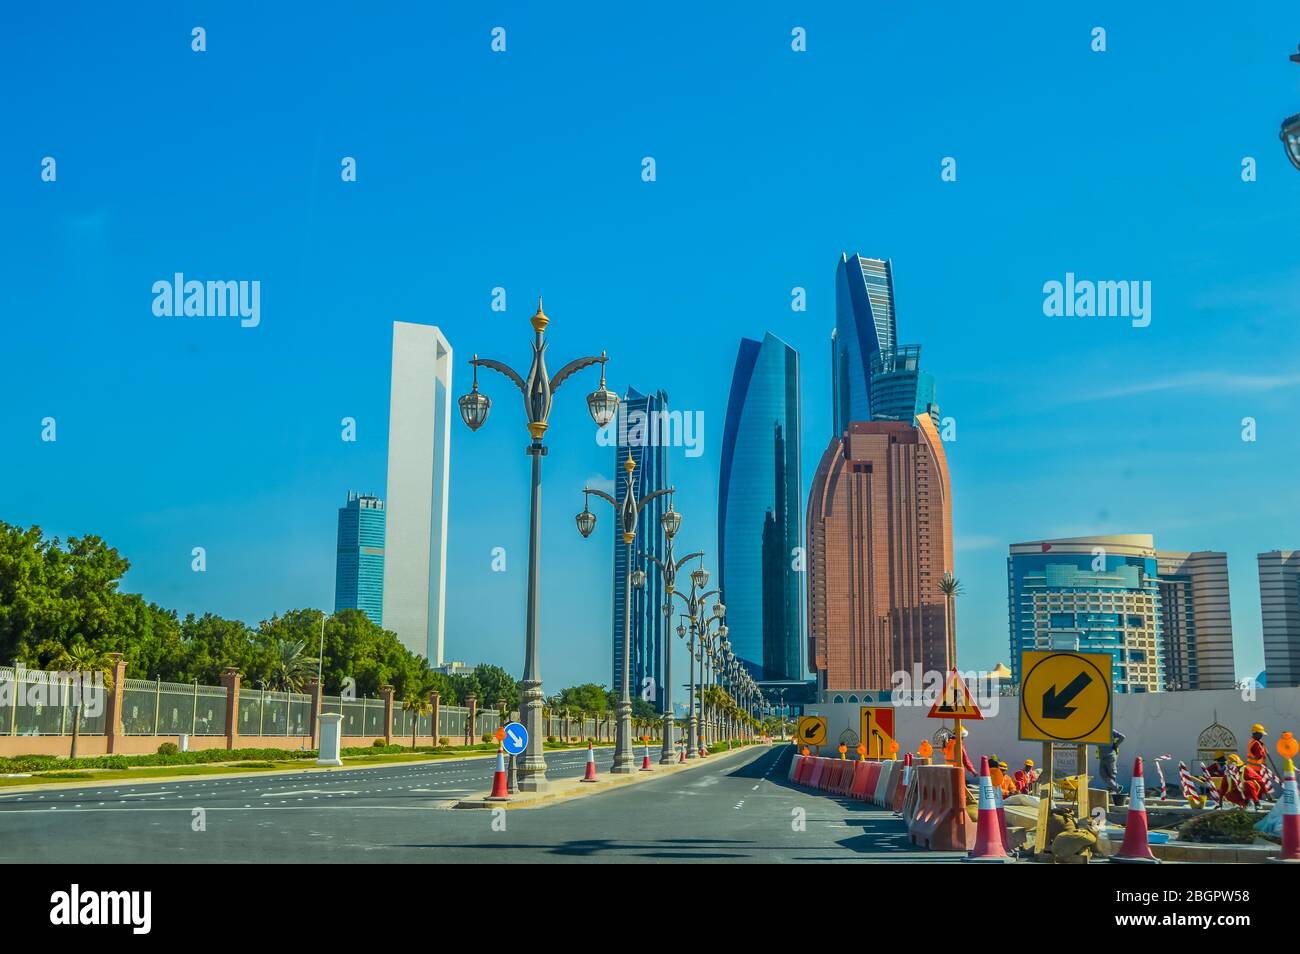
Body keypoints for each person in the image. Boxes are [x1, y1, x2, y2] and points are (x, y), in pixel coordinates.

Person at [1098, 729, 1126, 805]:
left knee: (1111, 774)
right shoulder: (1099, 730)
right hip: (1103, 756)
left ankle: (1114, 792)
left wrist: (1115, 744)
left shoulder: (1110, 729)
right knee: (1103, 774)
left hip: (1110, 756)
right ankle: (1115, 788)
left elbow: (1122, 737)